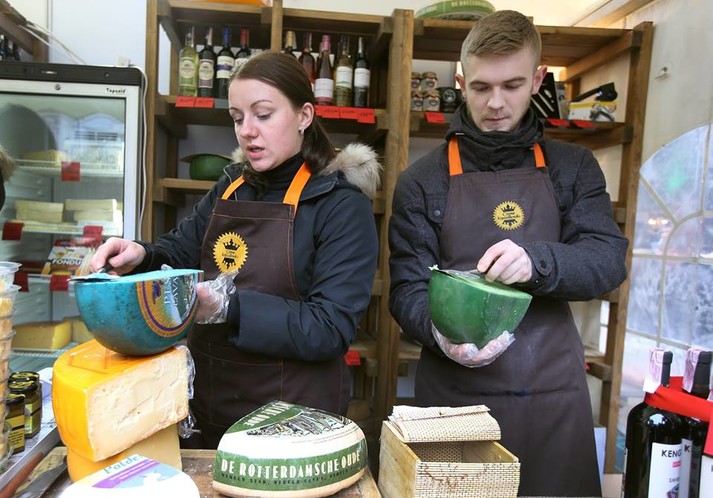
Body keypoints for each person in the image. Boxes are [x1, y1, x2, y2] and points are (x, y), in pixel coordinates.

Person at [388, 10, 627, 497]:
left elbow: (607, 260)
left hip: (552, 396)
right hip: (455, 405)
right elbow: (406, 289)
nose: (495, 103)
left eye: (512, 86)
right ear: (461, 83)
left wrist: (537, 262)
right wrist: (440, 333)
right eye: (480, 88)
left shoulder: (573, 167)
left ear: (538, 79)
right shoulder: (422, 181)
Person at [91, 51, 380, 448]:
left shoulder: (340, 204)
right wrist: (142, 255)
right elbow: (181, 250)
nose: (247, 131)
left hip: (293, 426)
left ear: (304, 116)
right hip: (210, 408)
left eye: (263, 114)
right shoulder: (231, 186)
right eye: (237, 117)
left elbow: (331, 328)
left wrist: (231, 307)